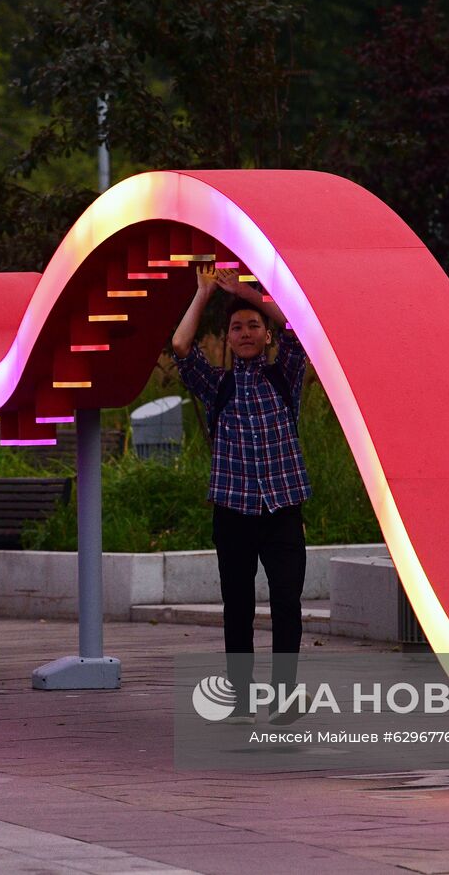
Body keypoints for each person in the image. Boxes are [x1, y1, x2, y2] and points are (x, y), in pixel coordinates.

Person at [171, 266, 310, 726]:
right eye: (236, 328)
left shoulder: (284, 374)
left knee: (287, 603)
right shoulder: (218, 386)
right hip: (233, 513)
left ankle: (285, 697)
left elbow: (297, 328)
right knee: (238, 607)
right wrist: (204, 293)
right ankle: (242, 696)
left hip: (282, 508)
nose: (246, 333)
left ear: (266, 336)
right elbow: (180, 346)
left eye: (253, 326)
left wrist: (246, 292)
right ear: (228, 339)